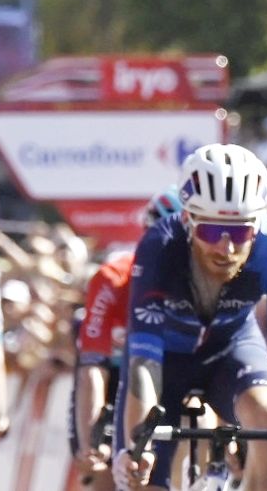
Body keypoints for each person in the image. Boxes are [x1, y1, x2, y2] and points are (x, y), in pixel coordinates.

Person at [113, 145, 267, 491]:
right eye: (211, 232)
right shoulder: (159, 245)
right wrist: (136, 448)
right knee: (144, 475)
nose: (226, 248)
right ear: (188, 222)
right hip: (165, 360)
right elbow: (145, 362)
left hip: (231, 346)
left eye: (238, 233)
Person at [70, 186, 184, 482]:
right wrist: (89, 444)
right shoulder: (112, 279)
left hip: (172, 376)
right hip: (115, 378)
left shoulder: (198, 284)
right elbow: (92, 370)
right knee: (103, 469)